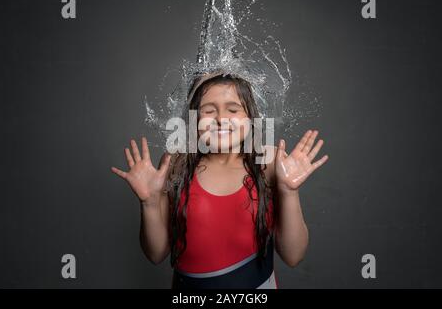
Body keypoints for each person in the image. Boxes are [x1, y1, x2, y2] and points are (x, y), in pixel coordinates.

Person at [111, 72, 329, 288]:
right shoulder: (177, 162)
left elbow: (294, 256)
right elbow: (156, 253)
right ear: (193, 118)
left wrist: (289, 192)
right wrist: (149, 203)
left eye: (233, 109)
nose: (221, 119)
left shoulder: (269, 162)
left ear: (250, 117)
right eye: (208, 110)